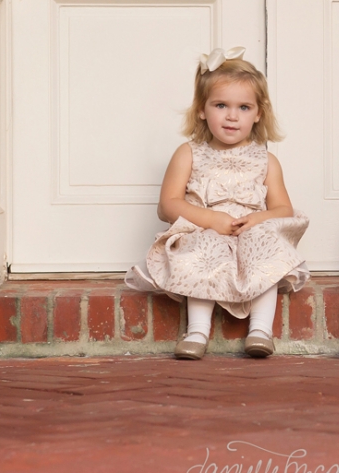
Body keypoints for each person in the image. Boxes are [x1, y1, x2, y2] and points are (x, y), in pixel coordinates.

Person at [125, 47, 309, 360]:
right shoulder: (189, 153)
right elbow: (167, 205)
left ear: (259, 113)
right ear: (201, 109)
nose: (232, 116)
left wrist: (257, 219)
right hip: (205, 230)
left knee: (267, 247)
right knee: (203, 249)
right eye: (221, 105)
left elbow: (283, 210)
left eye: (244, 107)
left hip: (249, 230)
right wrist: (210, 220)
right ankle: (197, 330)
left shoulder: (266, 160)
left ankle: (260, 330)